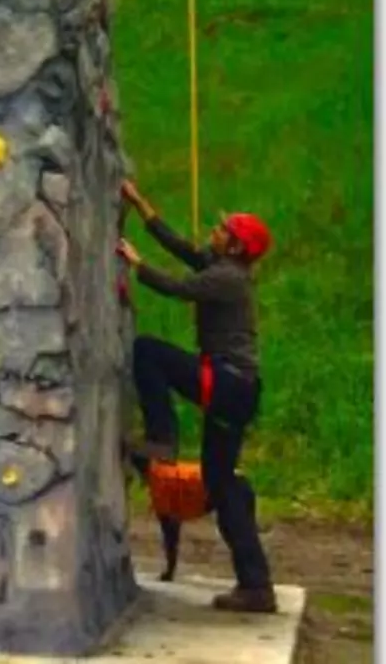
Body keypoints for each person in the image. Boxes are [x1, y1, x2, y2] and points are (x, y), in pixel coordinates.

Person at [117, 178, 277, 615]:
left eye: (225, 230)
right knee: (222, 484)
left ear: (237, 248)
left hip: (228, 386)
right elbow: (185, 251)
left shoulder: (227, 279)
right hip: (232, 388)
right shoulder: (224, 268)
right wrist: (141, 206)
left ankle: (163, 438)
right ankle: (256, 585)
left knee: (148, 351)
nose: (216, 230)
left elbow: (178, 288)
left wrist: (136, 265)